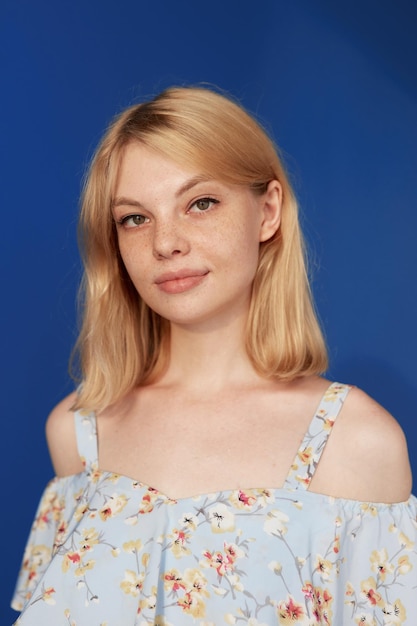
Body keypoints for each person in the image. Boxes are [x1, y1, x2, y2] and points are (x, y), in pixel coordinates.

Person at [11, 86, 417, 625]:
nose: (166, 243)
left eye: (200, 203)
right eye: (135, 218)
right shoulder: (78, 432)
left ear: (268, 210)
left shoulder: (354, 442)